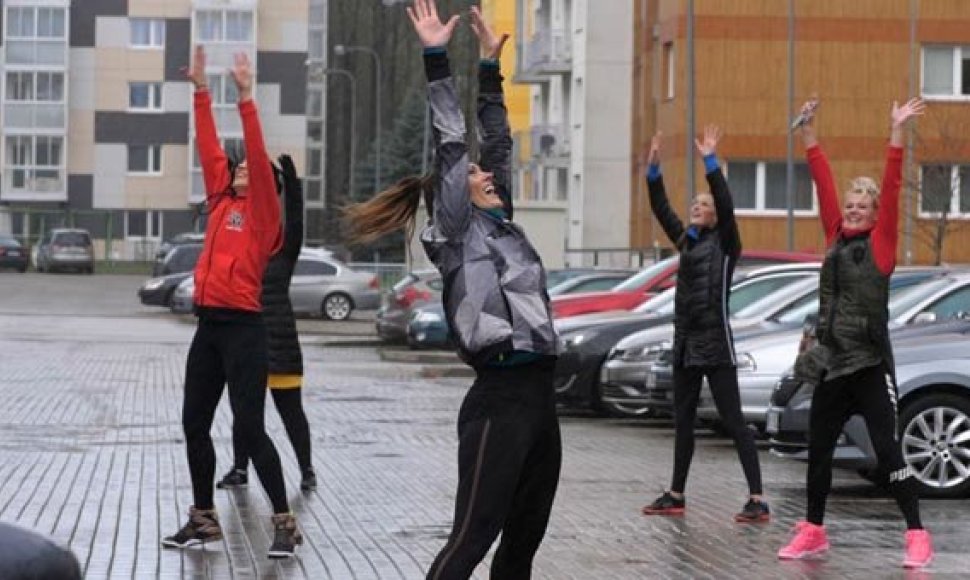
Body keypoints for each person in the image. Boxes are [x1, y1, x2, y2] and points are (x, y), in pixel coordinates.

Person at [344, 3, 561, 577]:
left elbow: (497, 143)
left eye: (485, 177)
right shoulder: (457, 231)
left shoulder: (502, 223)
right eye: (474, 176)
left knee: (520, 550)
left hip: (541, 400)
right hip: (499, 400)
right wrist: (437, 58)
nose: (486, 176)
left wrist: (491, 66)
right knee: (471, 540)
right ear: (451, 195)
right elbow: (454, 144)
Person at [160, 45, 302, 559]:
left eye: (251, 168)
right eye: (240, 166)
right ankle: (204, 521)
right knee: (193, 424)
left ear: (268, 184)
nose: (243, 168)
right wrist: (200, 90)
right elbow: (208, 147)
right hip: (209, 329)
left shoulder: (265, 216)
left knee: (249, 426)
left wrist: (245, 97)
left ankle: (284, 523)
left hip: (245, 330)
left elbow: (257, 158)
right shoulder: (221, 202)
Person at [779, 97, 932, 568]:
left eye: (862, 207)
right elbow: (821, 180)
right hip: (832, 362)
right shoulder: (833, 238)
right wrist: (808, 130)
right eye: (850, 206)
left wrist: (896, 131)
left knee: (887, 451)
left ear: (874, 215)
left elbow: (892, 180)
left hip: (868, 364)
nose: (853, 211)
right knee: (818, 449)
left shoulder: (881, 247)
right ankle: (814, 530)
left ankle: (917, 535)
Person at [640, 127, 768, 523]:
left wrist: (711, 162)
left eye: (703, 203)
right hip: (685, 343)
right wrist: (653, 173)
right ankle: (676, 494)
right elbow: (662, 209)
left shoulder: (727, 243)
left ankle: (757, 497)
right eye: (694, 202)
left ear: (716, 214)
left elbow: (726, 203)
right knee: (683, 421)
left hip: (715, 344)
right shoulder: (688, 243)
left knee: (733, 421)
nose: (697, 207)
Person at [216, 154, 318, 493]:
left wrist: (291, 183)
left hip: (281, 343)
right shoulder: (248, 237)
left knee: (292, 413)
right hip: (247, 338)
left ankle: (306, 470)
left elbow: (296, 221)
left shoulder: (283, 250)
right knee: (245, 411)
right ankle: (240, 468)